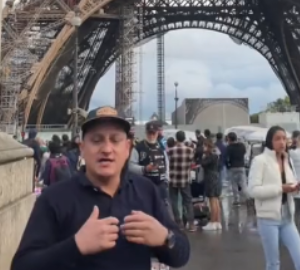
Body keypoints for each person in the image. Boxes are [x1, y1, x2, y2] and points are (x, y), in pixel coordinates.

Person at [13, 107, 190, 270]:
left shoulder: (146, 191)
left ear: (127, 148)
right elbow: (22, 265)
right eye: (96, 140)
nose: (106, 149)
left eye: (115, 140)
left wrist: (165, 238)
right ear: (82, 148)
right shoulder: (54, 198)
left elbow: (181, 255)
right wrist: (76, 246)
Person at [249, 126, 300, 270]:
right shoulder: (260, 161)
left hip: (288, 217)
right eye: (277, 139)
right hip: (268, 219)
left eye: (284, 139)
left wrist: (295, 188)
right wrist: (280, 188)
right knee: (273, 263)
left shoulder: (288, 160)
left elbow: (290, 187)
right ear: (270, 141)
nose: (282, 142)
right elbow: (253, 190)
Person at [166, 131, 196, 232]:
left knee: (174, 201)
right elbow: (191, 163)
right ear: (184, 138)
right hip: (185, 179)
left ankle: (179, 223)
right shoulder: (190, 150)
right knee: (188, 201)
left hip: (173, 179)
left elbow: (168, 163)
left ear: (176, 139)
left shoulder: (170, 150)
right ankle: (191, 224)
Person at [199, 137, 223, 231]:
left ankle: (213, 222)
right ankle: (217, 222)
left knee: (212, 201)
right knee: (216, 201)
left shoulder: (210, 156)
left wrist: (202, 158)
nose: (203, 148)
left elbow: (203, 164)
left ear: (207, 146)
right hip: (216, 177)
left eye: (204, 146)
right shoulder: (216, 154)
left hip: (210, 178)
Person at [224, 132, 249, 208]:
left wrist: (228, 166)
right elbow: (244, 153)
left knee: (234, 184)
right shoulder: (242, 145)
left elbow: (226, 158)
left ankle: (236, 200)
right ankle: (248, 198)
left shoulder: (228, 147)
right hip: (241, 166)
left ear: (229, 139)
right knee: (243, 183)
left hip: (232, 167)